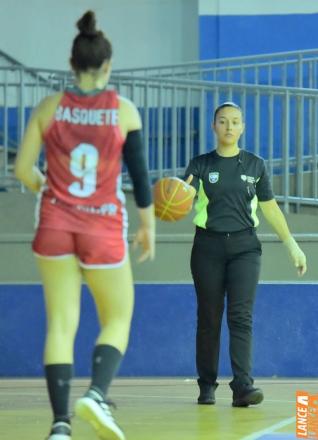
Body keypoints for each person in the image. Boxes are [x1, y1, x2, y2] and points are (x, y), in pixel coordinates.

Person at [14, 10, 155, 440]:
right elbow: (141, 178)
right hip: (102, 226)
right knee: (117, 318)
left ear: (71, 63)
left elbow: (22, 170)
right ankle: (95, 394)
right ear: (107, 66)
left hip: (55, 225)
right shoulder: (124, 111)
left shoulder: (48, 107)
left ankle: (60, 426)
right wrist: (148, 227)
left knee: (61, 323)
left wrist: (48, 188)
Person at [184, 101, 307, 408]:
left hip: (245, 249)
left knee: (241, 317)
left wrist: (291, 244)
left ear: (243, 128)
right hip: (207, 248)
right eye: (223, 121)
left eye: (235, 121)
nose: (229, 126)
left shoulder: (255, 165)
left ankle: (243, 387)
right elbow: (180, 198)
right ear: (214, 127)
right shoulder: (199, 164)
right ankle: (206, 385)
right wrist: (170, 199)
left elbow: (270, 208)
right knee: (209, 318)